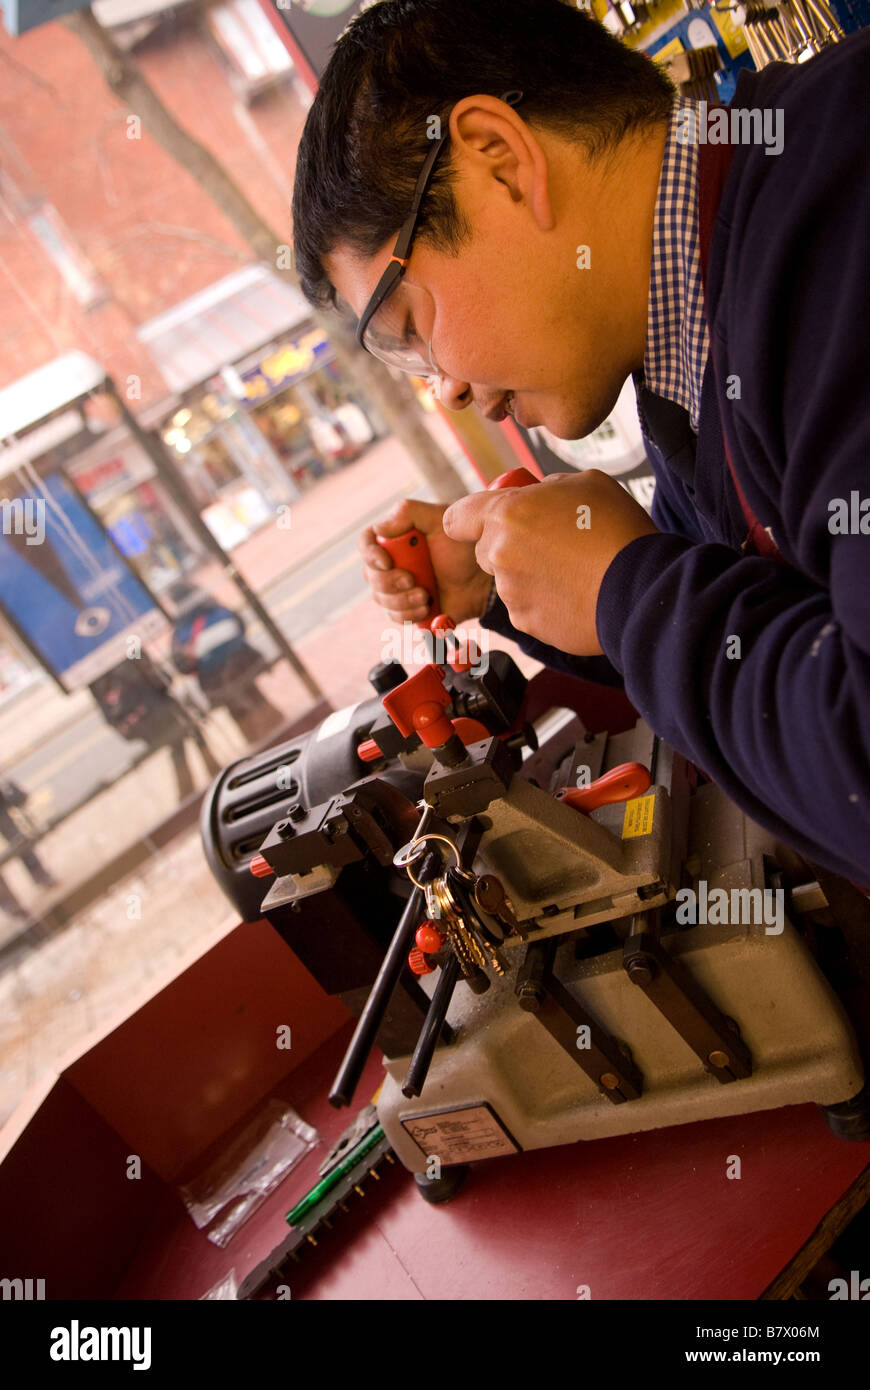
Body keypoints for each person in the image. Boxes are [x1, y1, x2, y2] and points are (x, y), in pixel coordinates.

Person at [291, 0, 870, 887]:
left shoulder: (836, 216)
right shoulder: (689, 360)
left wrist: (624, 589)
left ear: (501, 163)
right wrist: (524, 583)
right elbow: (734, 614)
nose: (442, 383)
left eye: (409, 325)